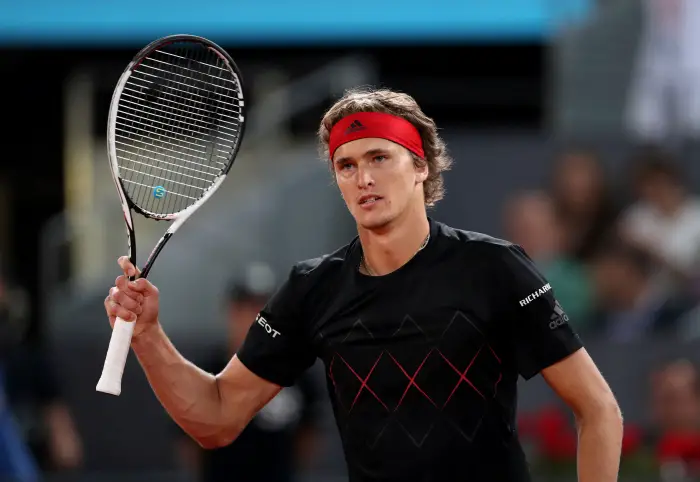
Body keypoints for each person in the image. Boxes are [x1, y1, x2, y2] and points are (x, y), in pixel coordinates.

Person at [104, 87, 623, 482]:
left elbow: (597, 408)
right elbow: (216, 416)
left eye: (380, 158)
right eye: (346, 165)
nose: (363, 178)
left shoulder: (495, 268)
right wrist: (149, 336)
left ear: (420, 167)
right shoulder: (312, 289)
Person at [173, 262, 321, 482]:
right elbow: (186, 441)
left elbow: (308, 435)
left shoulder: (297, 373)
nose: (255, 317)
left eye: (264, 307)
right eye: (247, 307)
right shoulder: (206, 370)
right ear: (231, 311)